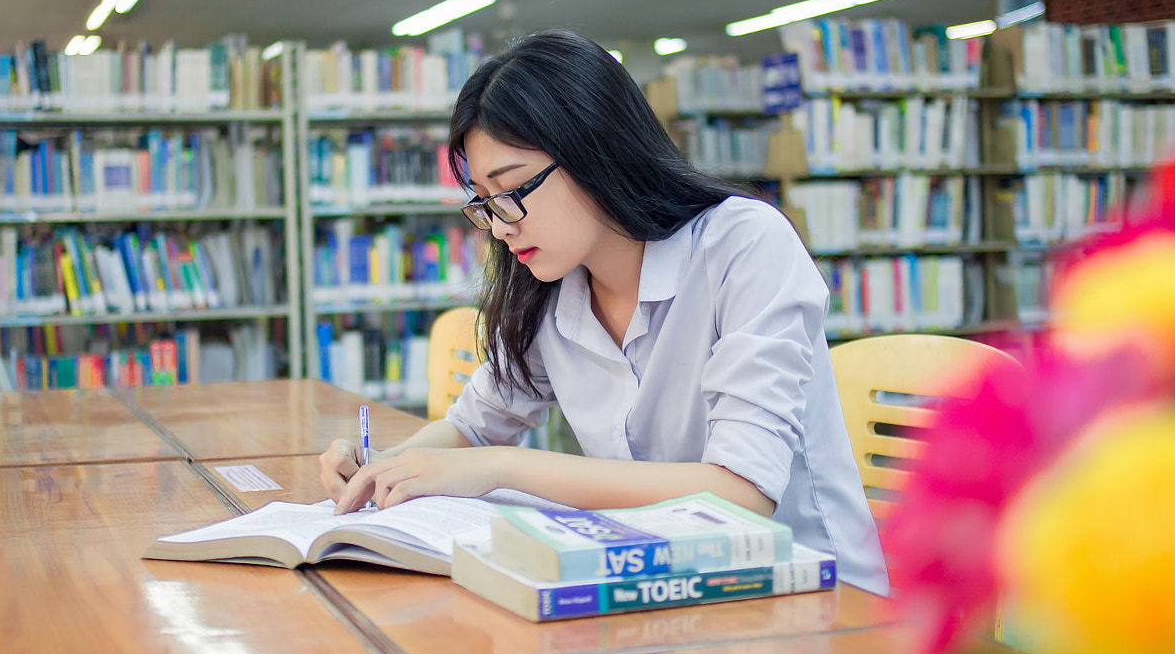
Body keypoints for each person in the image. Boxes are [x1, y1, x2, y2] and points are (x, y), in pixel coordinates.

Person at [320, 29, 888, 594]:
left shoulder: (744, 244)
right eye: (483, 203)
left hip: (813, 601)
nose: (499, 223)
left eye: (512, 188)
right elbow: (472, 428)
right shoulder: (548, 283)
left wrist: (504, 468)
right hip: (658, 588)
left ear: (596, 152)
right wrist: (382, 467)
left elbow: (740, 493)